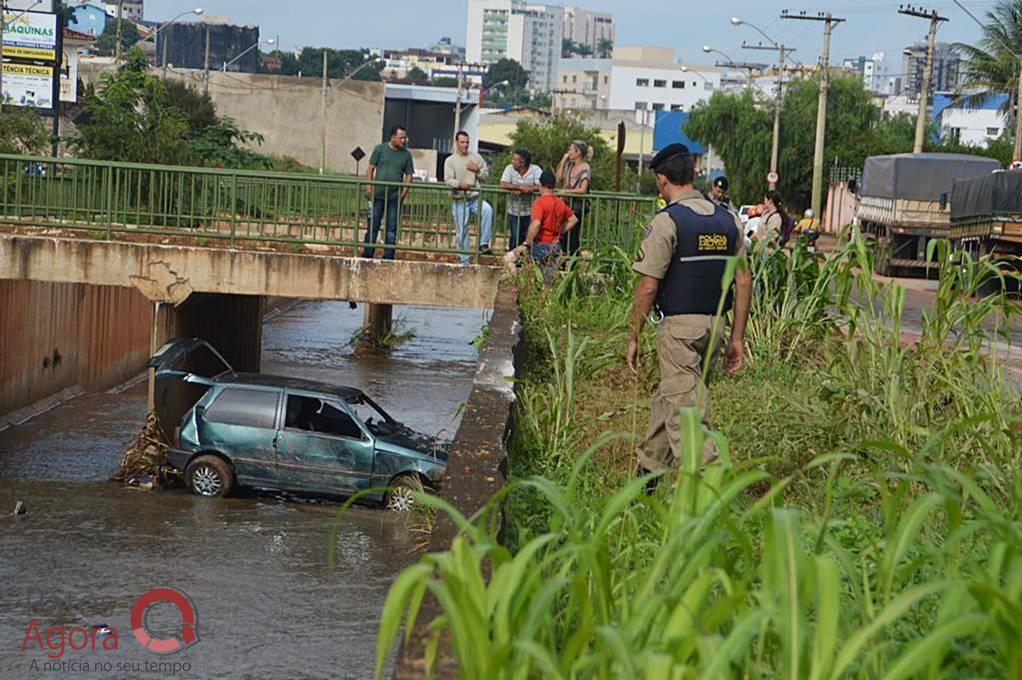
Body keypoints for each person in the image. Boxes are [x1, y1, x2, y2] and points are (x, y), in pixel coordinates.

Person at [625, 143, 752, 480]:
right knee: (673, 401)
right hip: (715, 328)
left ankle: (710, 494)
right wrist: (736, 338)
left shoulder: (667, 222)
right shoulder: (728, 221)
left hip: (679, 331)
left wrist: (633, 335)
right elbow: (743, 280)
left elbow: (648, 286)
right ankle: (646, 481)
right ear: (694, 175)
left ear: (663, 180)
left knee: (688, 414)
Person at [512, 170, 578, 282]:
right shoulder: (560, 203)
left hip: (540, 245)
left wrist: (526, 243)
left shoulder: (540, 202)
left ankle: (516, 284)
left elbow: (536, 223)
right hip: (555, 247)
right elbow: (573, 220)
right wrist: (559, 231)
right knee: (548, 282)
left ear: (540, 185)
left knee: (508, 259)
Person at [363, 125, 414, 260]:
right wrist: (368, 187)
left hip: (394, 197)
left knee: (391, 228)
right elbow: (370, 168)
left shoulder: (406, 154)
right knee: (373, 225)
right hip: (378, 195)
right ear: (392, 137)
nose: (403, 140)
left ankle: (388, 255)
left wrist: (404, 192)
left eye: (404, 138)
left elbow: (409, 175)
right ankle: (368, 253)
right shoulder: (380, 149)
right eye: (401, 137)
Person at [445, 131, 493, 264]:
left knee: (487, 210)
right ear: (456, 143)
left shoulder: (476, 158)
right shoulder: (450, 161)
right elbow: (448, 180)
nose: (465, 145)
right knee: (462, 230)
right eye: (462, 142)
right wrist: (460, 184)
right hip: (459, 199)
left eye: (467, 142)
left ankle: (483, 243)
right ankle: (464, 260)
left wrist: (477, 170)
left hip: (474, 198)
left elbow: (485, 176)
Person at [499, 148, 543, 250]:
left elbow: (542, 185)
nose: (512, 161)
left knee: (529, 238)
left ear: (522, 163)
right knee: (515, 237)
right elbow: (503, 183)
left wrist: (528, 189)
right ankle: (513, 261)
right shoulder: (509, 168)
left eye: (515, 160)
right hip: (514, 210)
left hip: (531, 211)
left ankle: (525, 262)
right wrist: (519, 187)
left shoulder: (535, 169)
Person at [556, 139, 592, 257]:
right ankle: (562, 261)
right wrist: (563, 161)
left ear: (578, 153)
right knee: (562, 235)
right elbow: (559, 179)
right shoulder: (569, 165)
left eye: (571, 150)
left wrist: (566, 191)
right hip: (565, 203)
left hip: (577, 205)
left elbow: (583, 189)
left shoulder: (585, 167)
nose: (569, 152)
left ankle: (573, 263)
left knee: (573, 234)